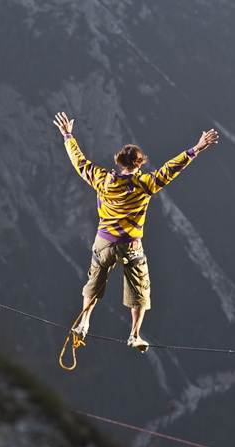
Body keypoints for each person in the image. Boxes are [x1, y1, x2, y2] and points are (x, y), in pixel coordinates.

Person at [53, 111, 218, 353]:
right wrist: (196, 148)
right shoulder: (145, 184)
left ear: (118, 161)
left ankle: (84, 323)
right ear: (139, 163)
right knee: (139, 288)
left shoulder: (102, 180)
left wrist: (68, 135)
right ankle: (134, 335)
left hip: (104, 242)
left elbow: (79, 162)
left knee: (94, 282)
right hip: (131, 245)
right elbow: (171, 169)